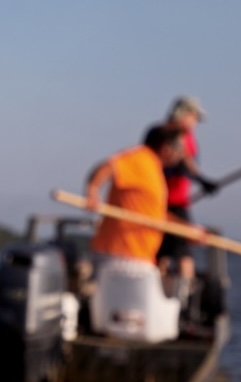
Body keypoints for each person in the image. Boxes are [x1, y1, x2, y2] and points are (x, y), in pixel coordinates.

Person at [85, 124, 185, 269]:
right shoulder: (140, 158)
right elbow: (108, 167)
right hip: (123, 255)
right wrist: (93, 191)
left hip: (138, 256)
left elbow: (156, 216)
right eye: (180, 149)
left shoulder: (154, 169)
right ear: (166, 148)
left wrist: (191, 230)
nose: (182, 154)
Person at [156, 96, 219, 281]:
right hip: (170, 201)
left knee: (165, 251)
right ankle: (185, 299)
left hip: (174, 198)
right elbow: (183, 161)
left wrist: (200, 180)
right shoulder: (171, 134)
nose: (195, 122)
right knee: (182, 252)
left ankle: (166, 290)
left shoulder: (181, 134)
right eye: (194, 117)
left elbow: (187, 163)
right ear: (184, 114)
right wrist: (202, 180)